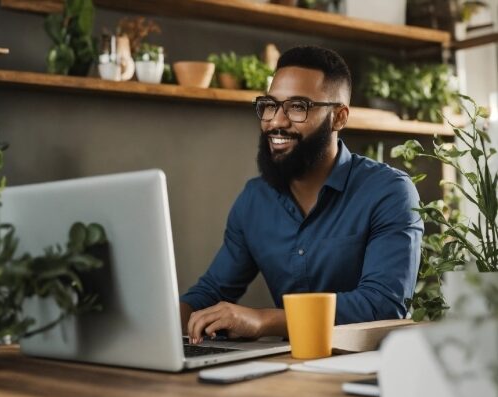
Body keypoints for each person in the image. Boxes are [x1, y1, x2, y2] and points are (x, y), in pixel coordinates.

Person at [180, 45, 423, 344]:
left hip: (368, 370)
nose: (276, 122)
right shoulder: (254, 200)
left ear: (339, 118)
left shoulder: (389, 192)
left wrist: (264, 320)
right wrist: (155, 322)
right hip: (286, 368)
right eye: (270, 105)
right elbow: (211, 293)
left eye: (297, 107)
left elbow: (383, 305)